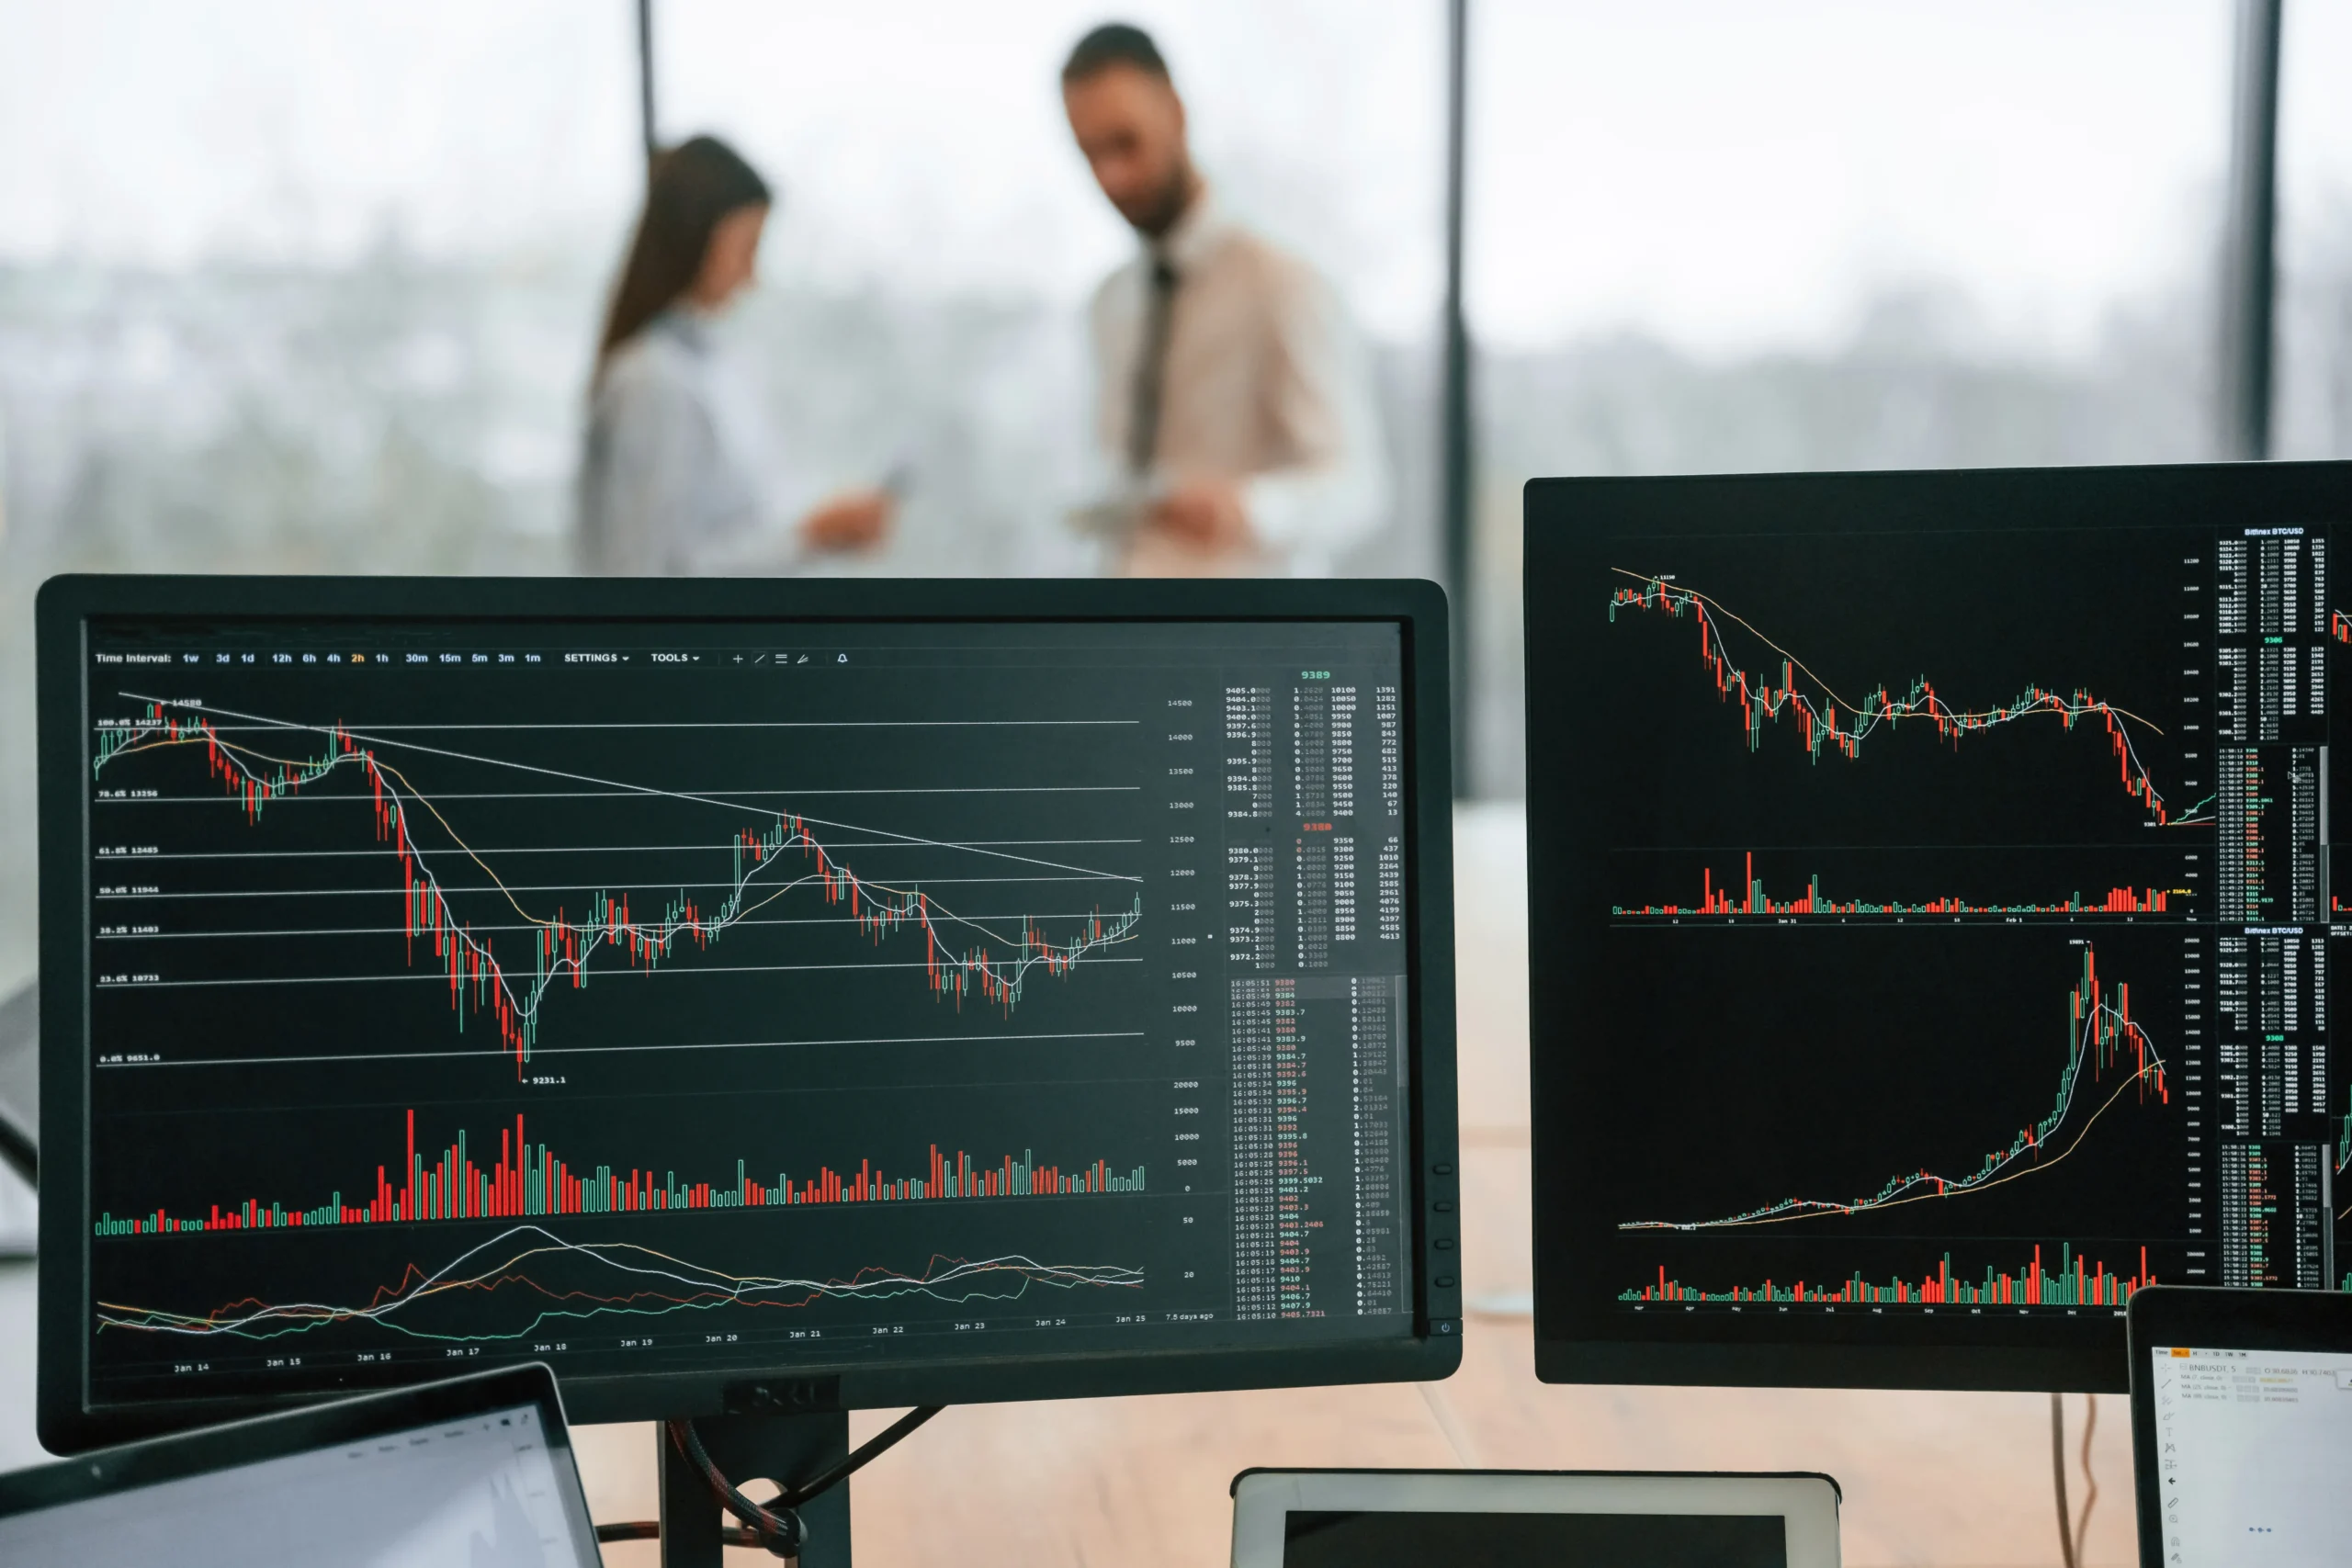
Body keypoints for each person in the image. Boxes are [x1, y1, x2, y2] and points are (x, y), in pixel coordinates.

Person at [1061, 23, 1388, 578]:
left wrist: (1249, 508)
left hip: (1249, 633)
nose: (1111, 177)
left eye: (1125, 143)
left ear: (1176, 115)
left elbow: (1356, 488)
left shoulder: (1281, 283)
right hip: (1125, 630)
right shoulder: (1108, 304)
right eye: (1091, 153)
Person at [577, 135, 890, 575]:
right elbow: (649, 576)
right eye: (747, 247)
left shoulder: (710, 364)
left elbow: (729, 527)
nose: (752, 275)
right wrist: (806, 537)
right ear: (697, 237)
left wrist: (816, 534)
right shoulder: (650, 380)